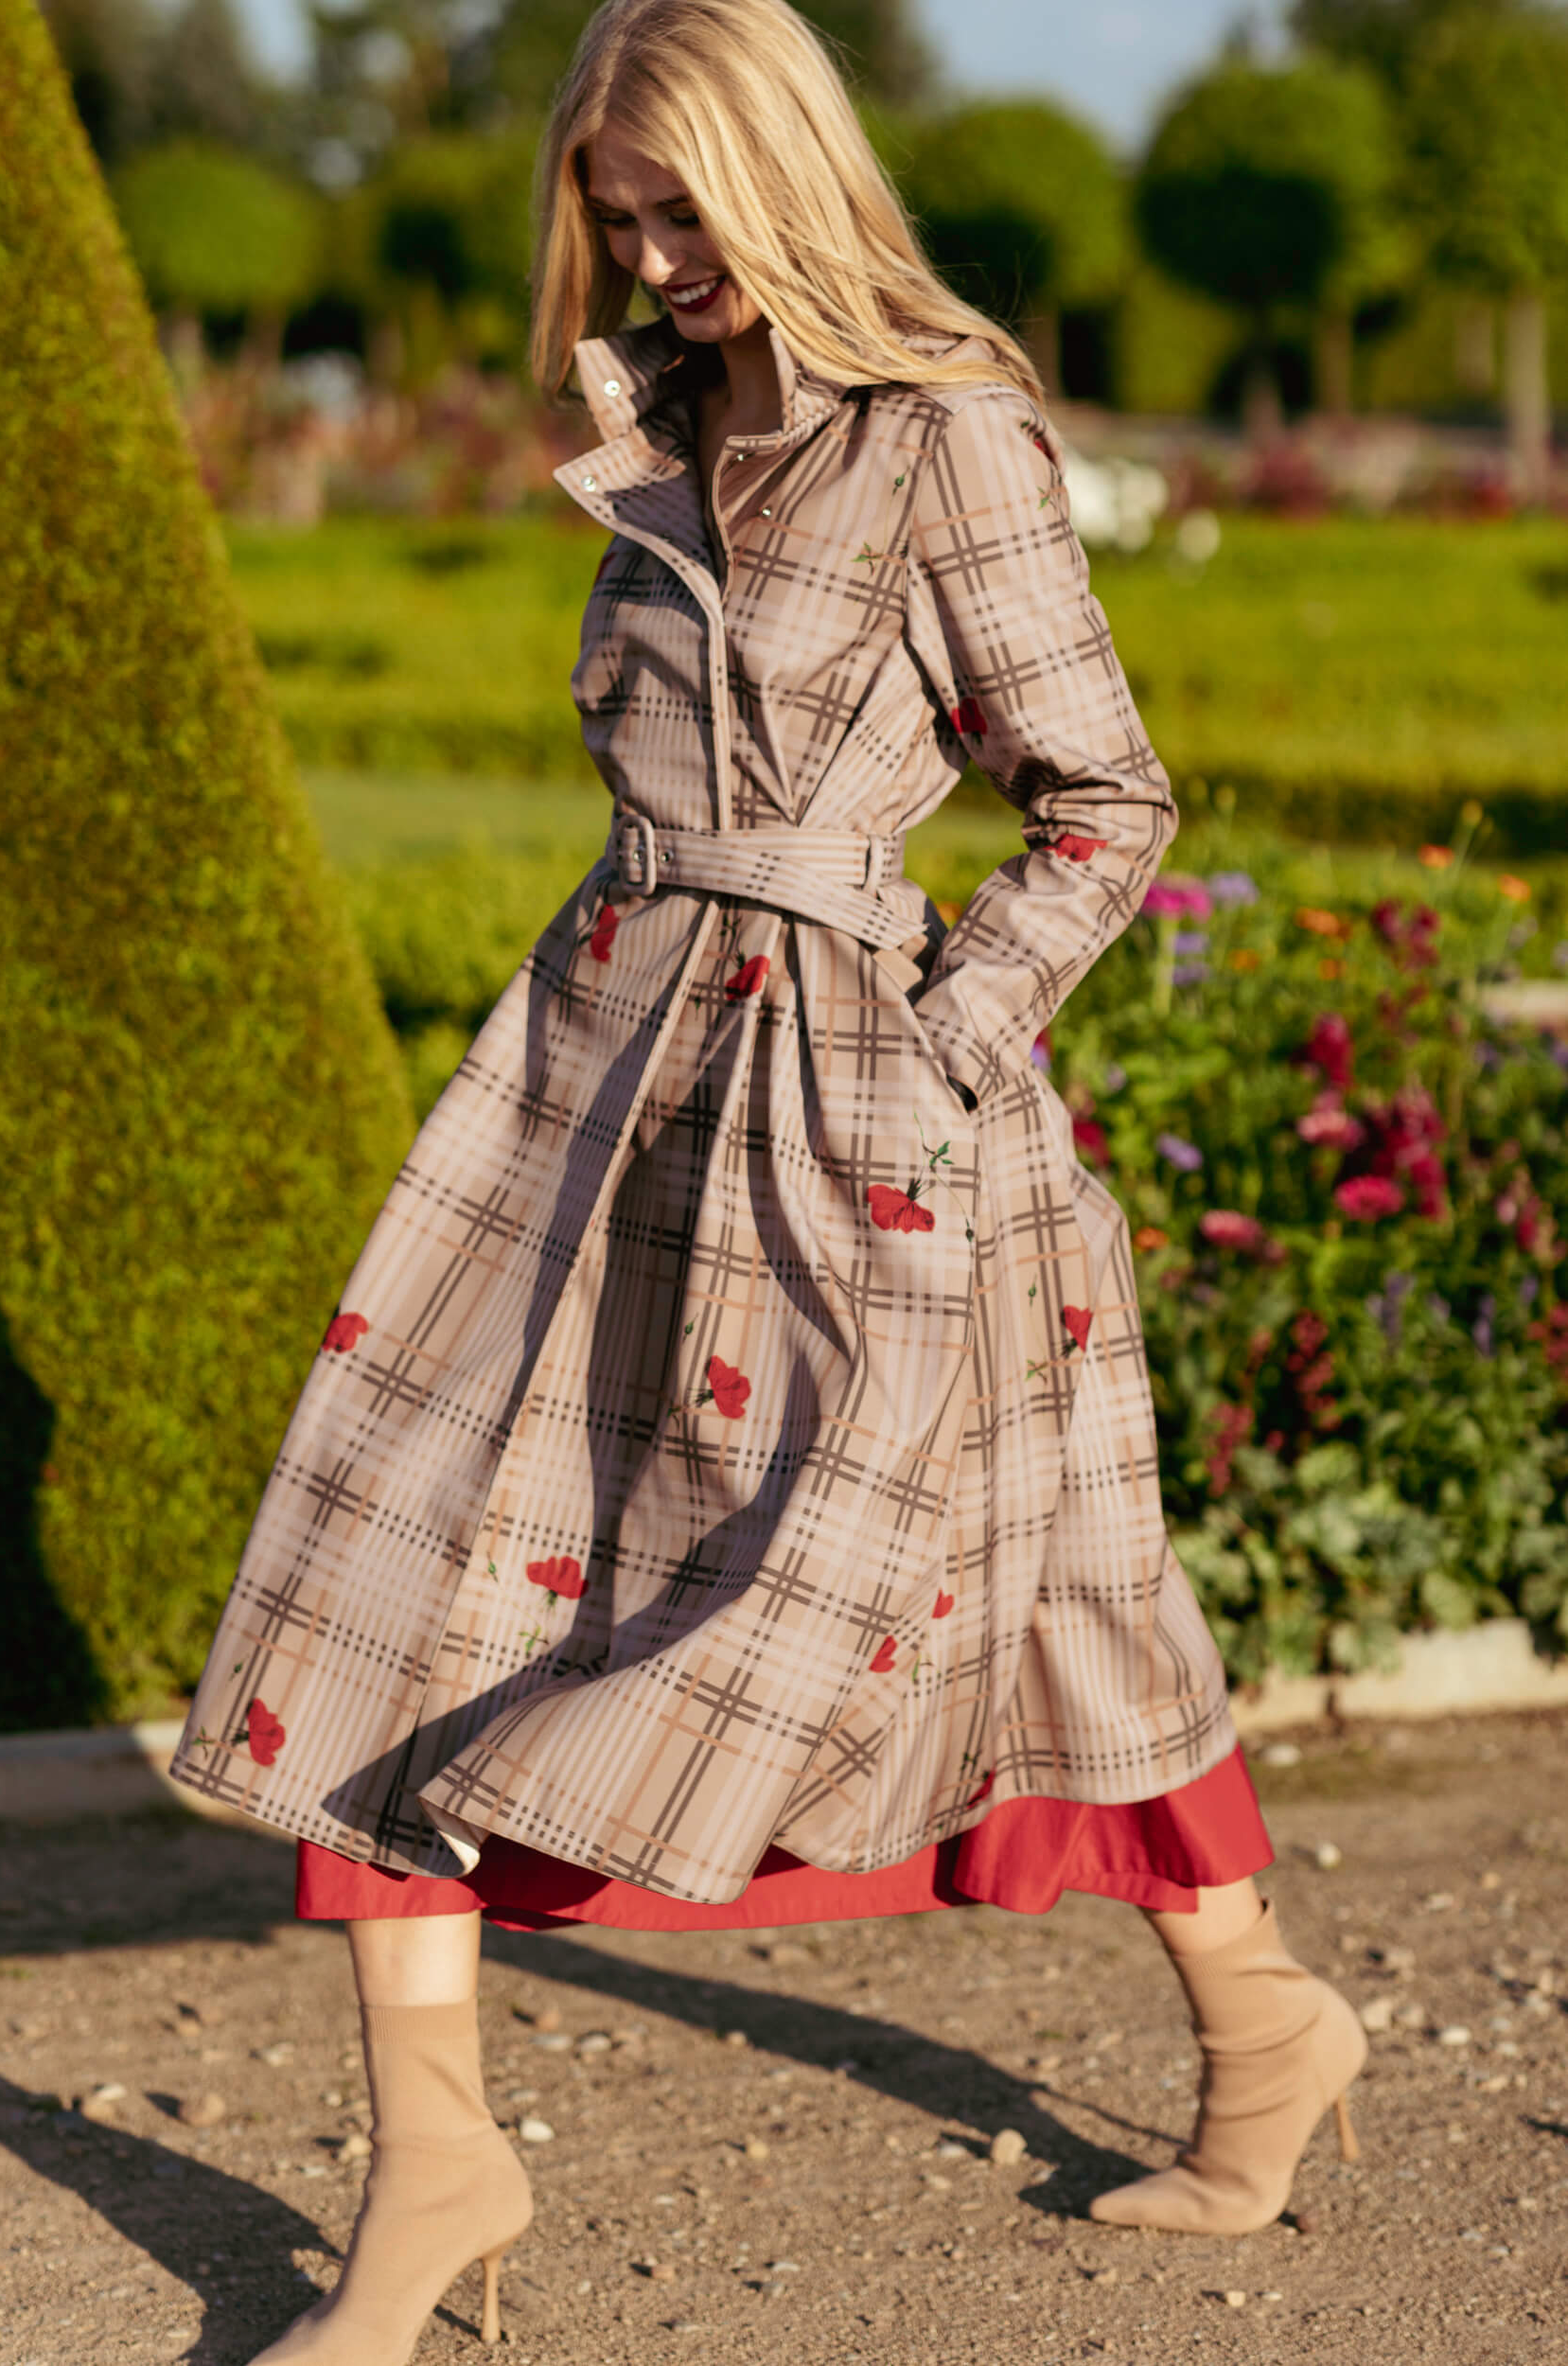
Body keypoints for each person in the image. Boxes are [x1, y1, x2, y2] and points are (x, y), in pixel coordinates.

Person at [169, 3, 1365, 2357]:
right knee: (398, 1576)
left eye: (683, 206)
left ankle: (1264, 2020)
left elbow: (1108, 804)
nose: (651, 254)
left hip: (871, 1137)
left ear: (788, 168)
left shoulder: (947, 440)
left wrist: (928, 1046)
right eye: (616, 217)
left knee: (1036, 1606)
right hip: (597, 1087)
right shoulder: (652, 432)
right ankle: (432, 2164)